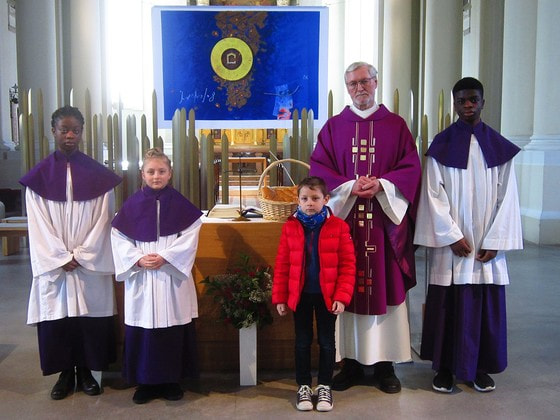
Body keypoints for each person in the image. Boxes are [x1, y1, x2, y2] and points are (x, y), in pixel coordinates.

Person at [309, 61, 422, 393]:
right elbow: (319, 168)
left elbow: (411, 168)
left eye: (365, 82)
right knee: (347, 287)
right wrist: (348, 187)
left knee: (385, 287)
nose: (359, 88)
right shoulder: (333, 127)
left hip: (384, 228)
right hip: (347, 229)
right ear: (347, 88)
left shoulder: (396, 125)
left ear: (376, 82)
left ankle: (386, 365)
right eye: (353, 84)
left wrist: (383, 185)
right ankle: (352, 364)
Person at [414, 77, 523, 393]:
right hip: (453, 247)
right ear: (455, 103)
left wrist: (496, 240)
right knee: (447, 307)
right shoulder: (441, 145)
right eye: (461, 100)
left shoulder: (498, 147)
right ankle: (445, 369)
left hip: (485, 246)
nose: (467, 105)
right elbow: (434, 194)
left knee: (481, 307)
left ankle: (479, 368)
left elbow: (508, 196)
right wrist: (450, 235)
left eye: (473, 99)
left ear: (483, 102)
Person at [19, 105, 122, 400]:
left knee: (89, 318)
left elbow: (104, 219)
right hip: (57, 262)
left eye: (75, 130)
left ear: (81, 133)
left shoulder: (99, 177)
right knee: (59, 318)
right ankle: (65, 375)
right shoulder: (38, 179)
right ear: (53, 131)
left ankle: (88, 372)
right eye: (64, 129)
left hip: (87, 261)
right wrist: (61, 257)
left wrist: (83, 254)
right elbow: (37, 224)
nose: (69, 135)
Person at [111, 148, 203, 404]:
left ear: (170, 174)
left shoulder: (182, 205)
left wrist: (167, 257)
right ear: (142, 174)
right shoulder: (131, 206)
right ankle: (145, 384)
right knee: (144, 327)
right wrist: (137, 258)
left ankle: (172, 381)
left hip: (170, 276)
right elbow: (118, 237)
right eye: (150, 171)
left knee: (172, 326)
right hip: (143, 276)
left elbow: (190, 236)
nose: (156, 176)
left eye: (161, 171)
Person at [272, 176, 356, 412]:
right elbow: (282, 264)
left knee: (327, 342)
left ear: (326, 199)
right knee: (302, 341)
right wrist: (280, 297)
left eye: (315, 198)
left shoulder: (338, 227)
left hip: (327, 297)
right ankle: (304, 386)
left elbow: (348, 265)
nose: (310, 203)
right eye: (305, 199)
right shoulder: (291, 226)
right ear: (297, 201)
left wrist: (341, 296)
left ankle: (325, 386)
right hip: (300, 296)